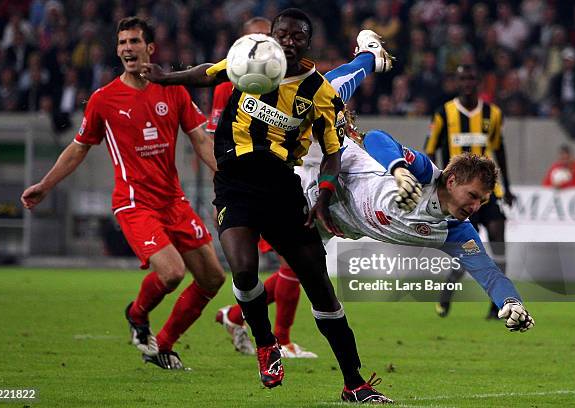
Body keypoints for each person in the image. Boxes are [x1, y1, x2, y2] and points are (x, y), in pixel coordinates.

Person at [142, 8, 394, 404]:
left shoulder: (318, 91)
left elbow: (331, 154)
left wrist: (323, 199)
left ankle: (354, 382)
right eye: (283, 34)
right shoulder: (254, 56)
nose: (288, 42)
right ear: (273, 35)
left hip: (282, 188)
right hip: (235, 185)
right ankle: (266, 344)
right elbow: (211, 71)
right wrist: (166, 78)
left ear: (308, 42)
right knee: (243, 270)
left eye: (297, 36)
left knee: (321, 289)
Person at [20, 17, 226, 371]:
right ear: (118, 50)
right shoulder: (104, 99)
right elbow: (78, 148)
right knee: (173, 273)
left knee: (213, 278)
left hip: (172, 201)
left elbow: (202, 140)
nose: (127, 48)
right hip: (134, 203)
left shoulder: (173, 90)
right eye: (122, 43)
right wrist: (45, 184)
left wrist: (230, 179)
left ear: (150, 48)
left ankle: (162, 346)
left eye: (134, 41)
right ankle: (137, 314)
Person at [297, 122, 535, 334]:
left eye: (480, 201)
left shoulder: (458, 232)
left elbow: (490, 273)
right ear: (451, 181)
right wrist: (399, 169)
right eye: (472, 195)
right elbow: (374, 137)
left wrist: (511, 302)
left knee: (296, 275)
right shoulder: (424, 174)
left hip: (333, 224)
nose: (474, 207)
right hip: (317, 182)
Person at [207, 16, 317, 359]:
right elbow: (217, 141)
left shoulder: (297, 82)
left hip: (280, 183)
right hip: (242, 190)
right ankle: (276, 339)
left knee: (293, 265)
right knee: (288, 265)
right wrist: (223, 197)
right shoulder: (229, 84)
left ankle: (238, 317)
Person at [424, 64, 515, 319]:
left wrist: (507, 188)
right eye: (463, 79)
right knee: (467, 250)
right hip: (460, 197)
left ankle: (498, 305)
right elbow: (429, 150)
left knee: (499, 246)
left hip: (490, 193)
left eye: (472, 79)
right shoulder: (444, 113)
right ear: (457, 82)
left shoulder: (492, 113)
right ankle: (447, 293)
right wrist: (437, 186)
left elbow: (500, 150)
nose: (467, 83)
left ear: (478, 82)